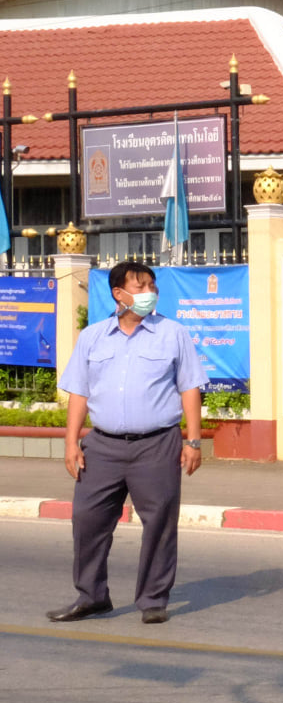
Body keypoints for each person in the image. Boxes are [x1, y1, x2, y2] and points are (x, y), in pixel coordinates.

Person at [48, 261, 207, 625]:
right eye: (140, 286)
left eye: (152, 285)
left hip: (157, 445)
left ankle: (152, 599)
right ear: (118, 294)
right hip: (102, 446)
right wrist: (71, 443)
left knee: (159, 523)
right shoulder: (93, 337)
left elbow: (190, 388)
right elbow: (79, 393)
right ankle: (91, 596)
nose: (149, 292)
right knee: (87, 519)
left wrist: (194, 442)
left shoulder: (173, 333)